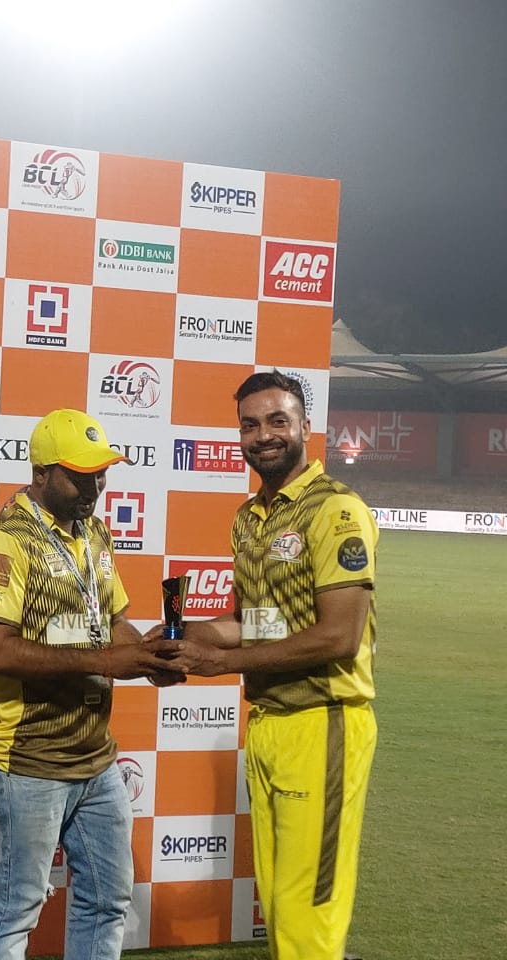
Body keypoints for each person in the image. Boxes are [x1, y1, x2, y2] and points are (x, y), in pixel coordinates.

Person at [152, 371, 378, 960]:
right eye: (250, 425)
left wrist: (220, 661)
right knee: (280, 907)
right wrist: (184, 637)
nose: (264, 435)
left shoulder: (336, 510)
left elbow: (339, 635)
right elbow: (256, 620)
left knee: (308, 913)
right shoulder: (250, 515)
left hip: (323, 721)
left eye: (278, 420)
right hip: (269, 724)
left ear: (305, 426)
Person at [0, 408, 184, 960]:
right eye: (80, 475)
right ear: (41, 474)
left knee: (108, 900)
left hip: (95, 758)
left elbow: (112, 620)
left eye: (101, 473)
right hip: (27, 759)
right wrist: (110, 660)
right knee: (16, 910)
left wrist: (147, 656)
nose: (95, 486)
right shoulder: (5, 541)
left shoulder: (93, 532)